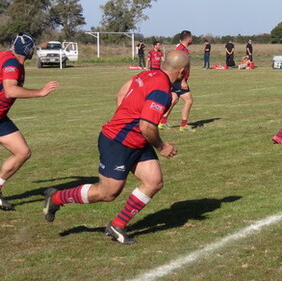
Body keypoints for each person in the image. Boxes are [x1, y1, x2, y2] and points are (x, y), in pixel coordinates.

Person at [42, 50, 188, 245]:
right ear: (183, 71)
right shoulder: (162, 90)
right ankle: (57, 197)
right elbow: (146, 126)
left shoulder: (147, 73)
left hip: (137, 141)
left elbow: (121, 93)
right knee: (108, 193)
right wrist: (161, 146)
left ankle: (117, 225)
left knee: (153, 182)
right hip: (117, 142)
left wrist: (127, 118)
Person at [0, 34, 59, 211]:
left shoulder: (9, 59)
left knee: (22, 152)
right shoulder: (12, 63)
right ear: (28, 50)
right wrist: (40, 92)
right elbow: (10, 90)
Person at [159, 30, 195, 132]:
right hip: (179, 79)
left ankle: (162, 122)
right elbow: (180, 65)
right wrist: (183, 80)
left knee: (174, 99)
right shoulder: (182, 50)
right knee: (188, 100)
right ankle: (184, 125)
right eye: (191, 37)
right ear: (188, 38)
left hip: (176, 79)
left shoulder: (181, 48)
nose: (192, 39)